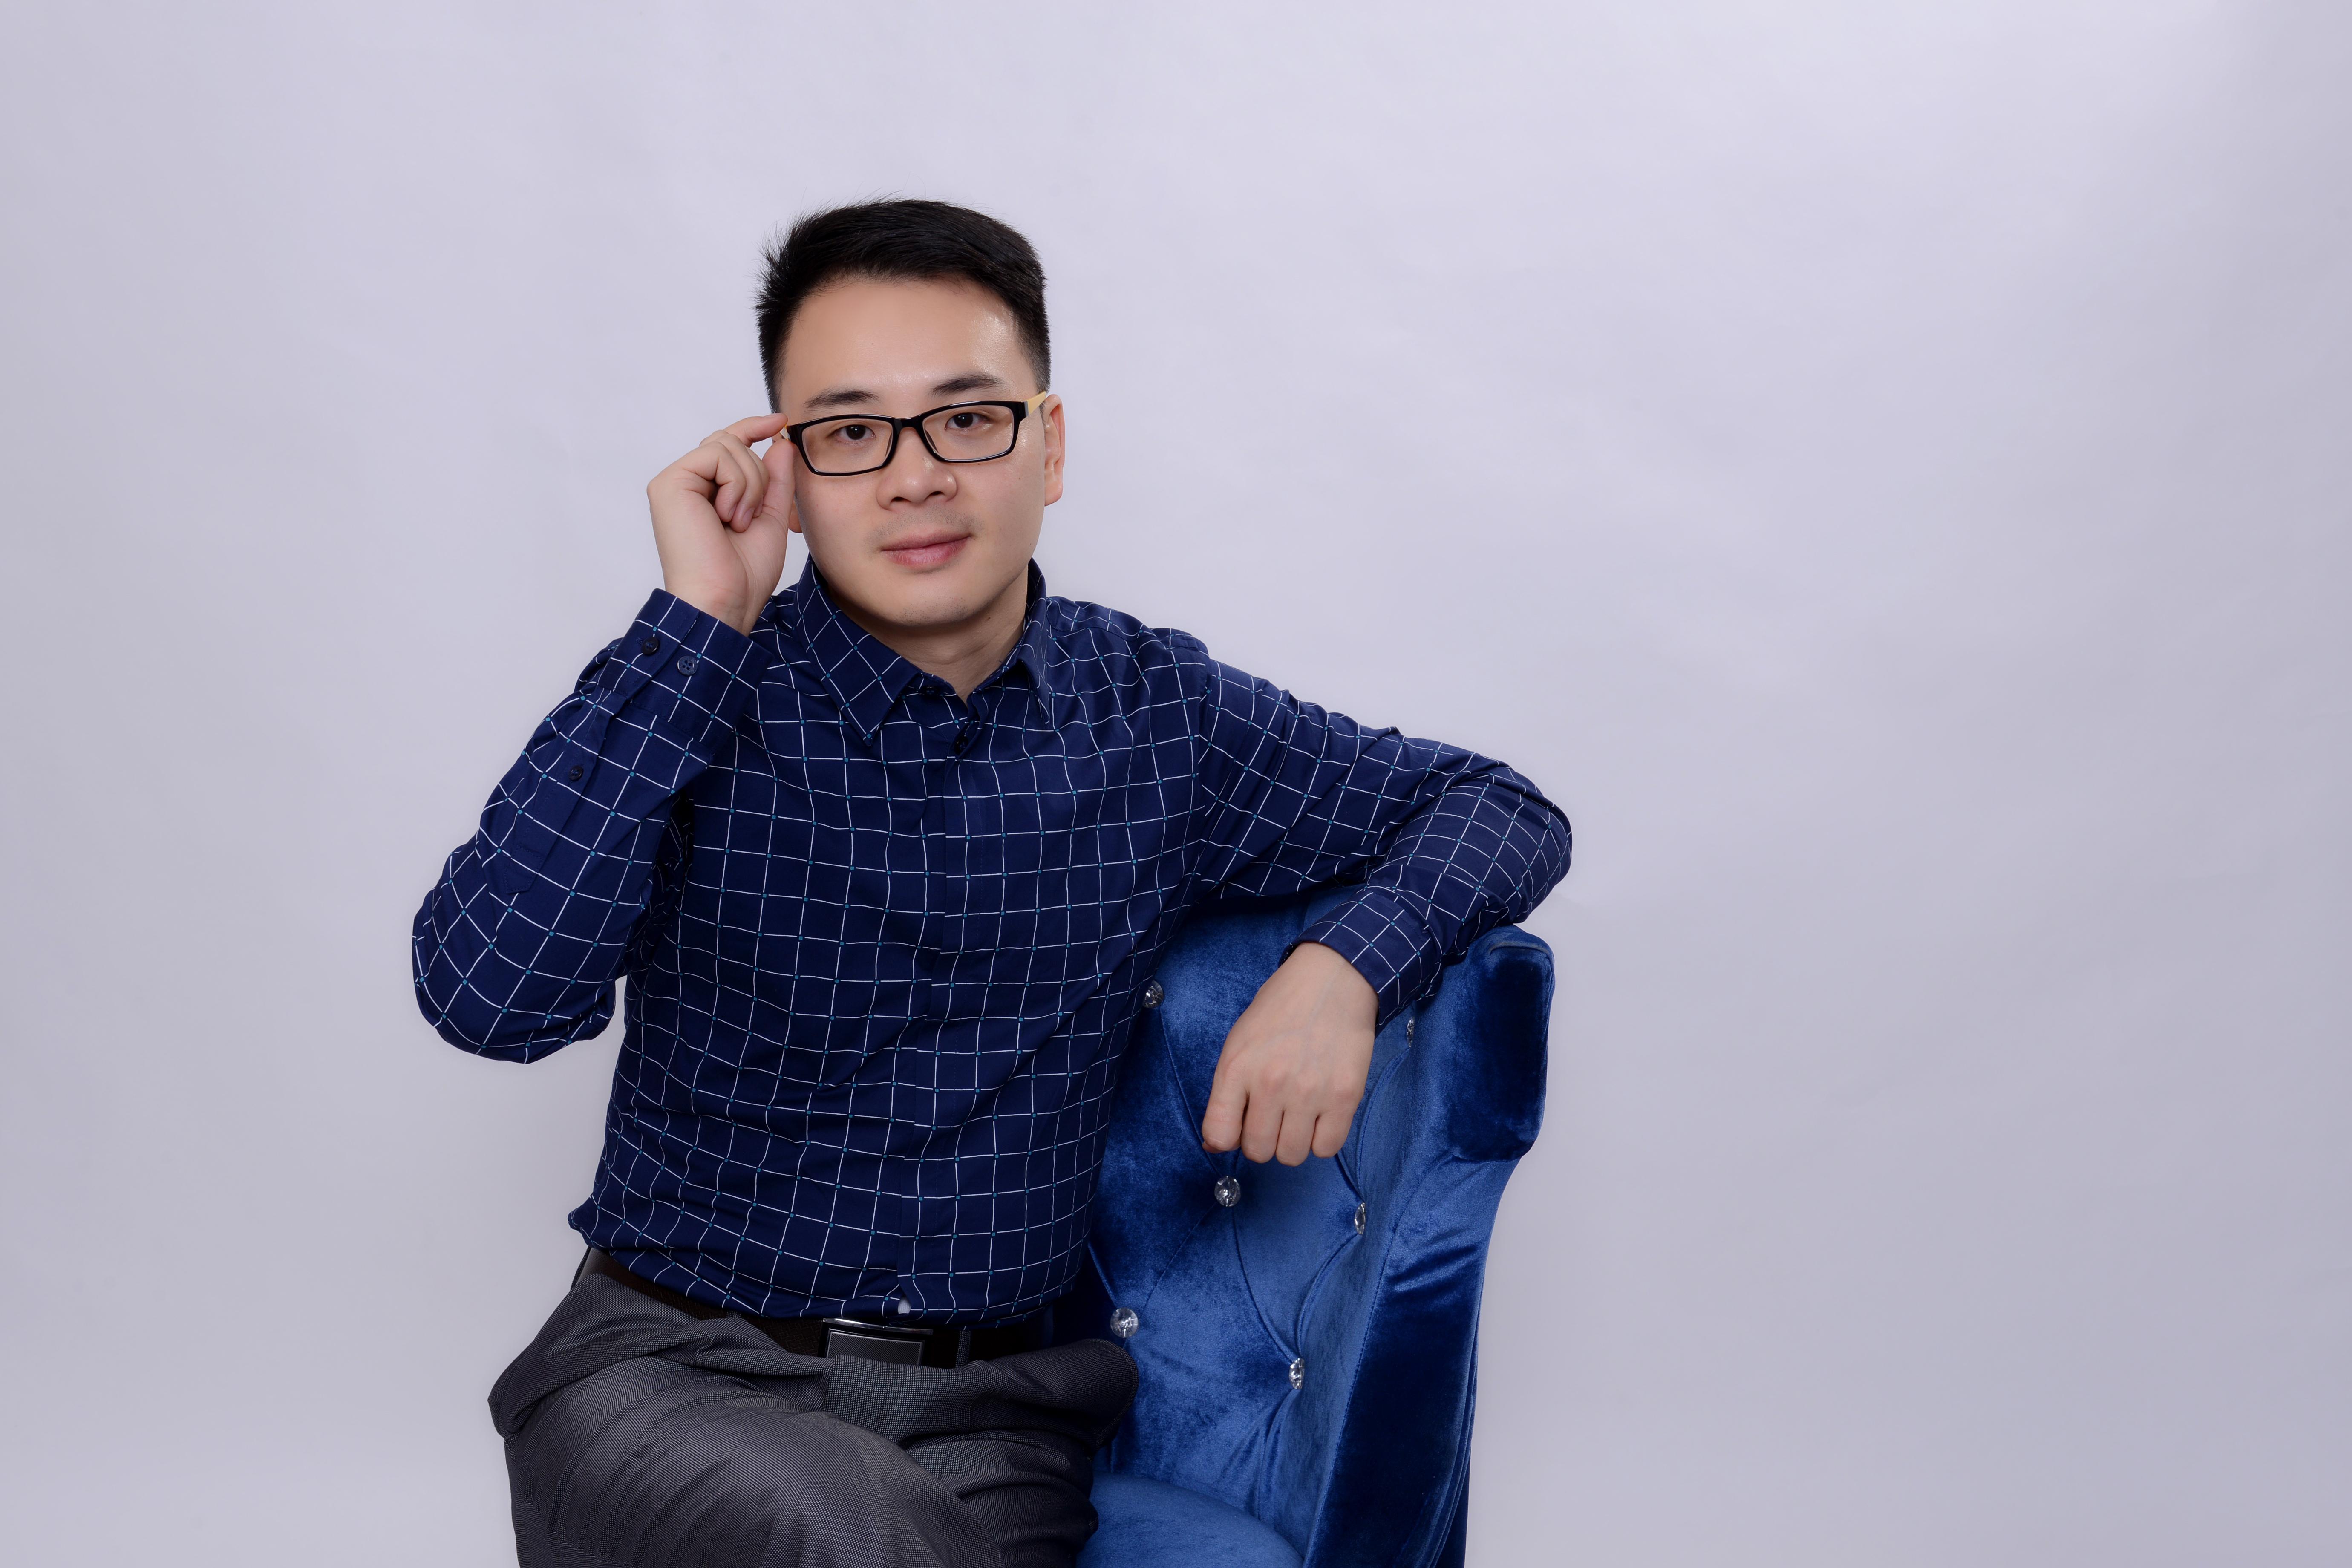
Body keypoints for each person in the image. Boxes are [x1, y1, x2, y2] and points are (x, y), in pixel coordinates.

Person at [412, 199, 1571, 1568]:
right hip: (672, 1379)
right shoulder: (698, 688)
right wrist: (696, 623)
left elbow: (1500, 808)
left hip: (988, 1426)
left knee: (891, 1537)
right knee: (843, 1531)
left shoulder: (1156, 716)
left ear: (1050, 445)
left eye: (967, 420)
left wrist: (1346, 969)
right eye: (851, 433)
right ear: (787, 469)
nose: (915, 478)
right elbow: (489, 998)